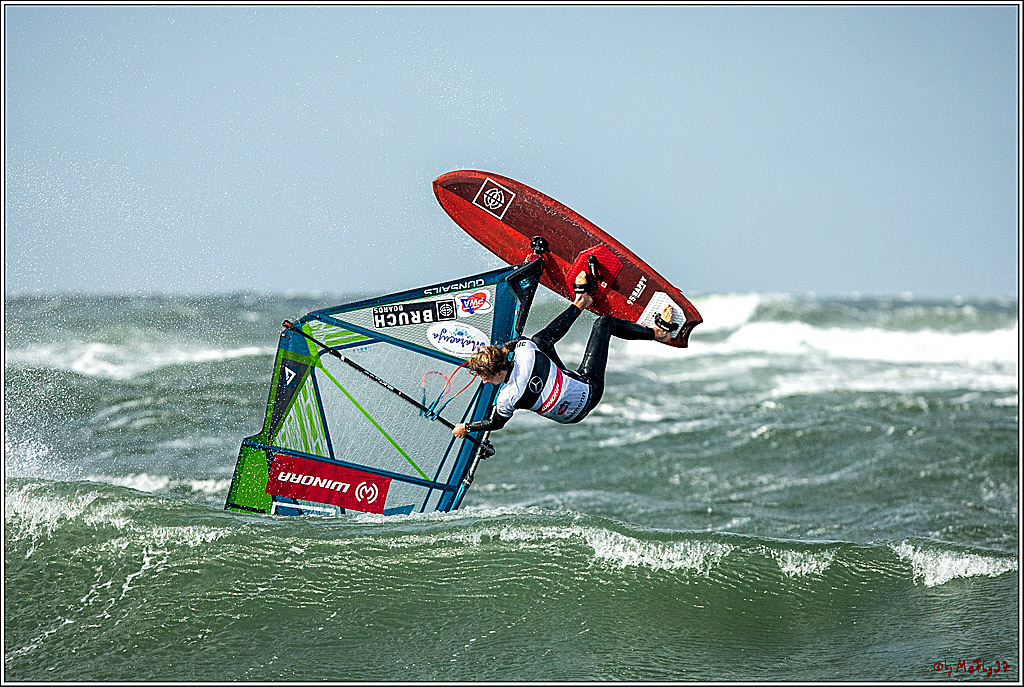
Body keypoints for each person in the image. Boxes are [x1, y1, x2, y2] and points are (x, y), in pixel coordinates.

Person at [452, 270, 677, 439]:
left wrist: (466, 428)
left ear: (499, 371)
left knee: (593, 327)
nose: (483, 380)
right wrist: (500, 349)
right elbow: (517, 343)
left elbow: (496, 423)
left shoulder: (507, 398)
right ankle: (585, 302)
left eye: (486, 376)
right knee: (549, 338)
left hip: (585, 397)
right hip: (579, 390)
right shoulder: (526, 352)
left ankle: (657, 333)